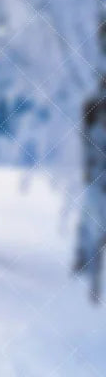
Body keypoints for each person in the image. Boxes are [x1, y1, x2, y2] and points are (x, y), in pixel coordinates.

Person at [72, 90, 106, 303]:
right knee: (95, 233)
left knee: (94, 231)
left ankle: (91, 278)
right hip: (96, 185)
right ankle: (93, 283)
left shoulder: (91, 111)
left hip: (96, 185)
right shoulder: (92, 111)